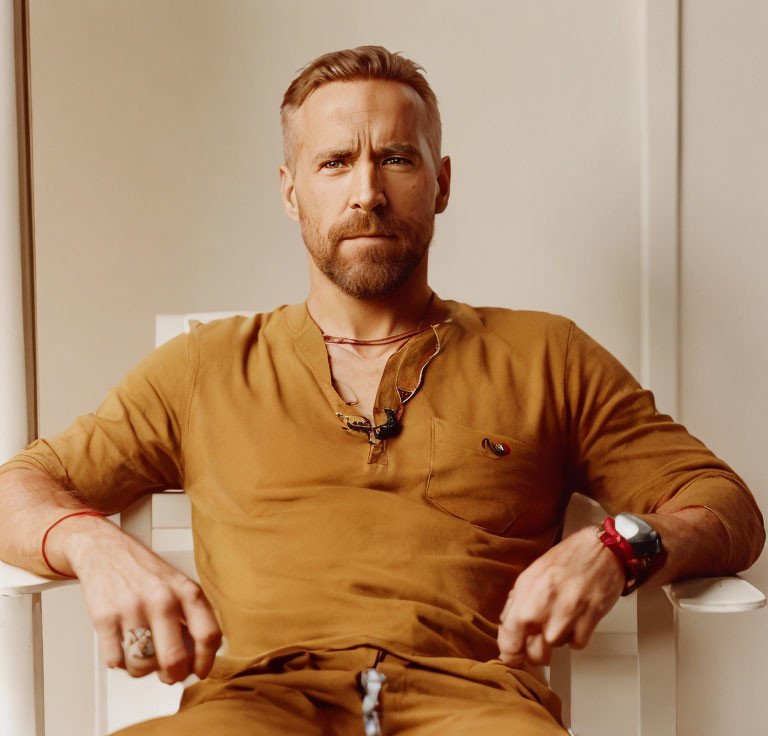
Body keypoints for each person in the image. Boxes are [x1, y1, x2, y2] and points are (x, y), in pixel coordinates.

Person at [0, 45, 763, 736]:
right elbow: (21, 487)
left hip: (476, 709)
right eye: (334, 162)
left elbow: (723, 506)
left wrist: (618, 548)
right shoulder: (205, 366)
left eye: (396, 157)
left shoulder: (545, 354)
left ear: (441, 183)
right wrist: (92, 543)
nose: (366, 191)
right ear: (291, 191)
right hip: (253, 709)